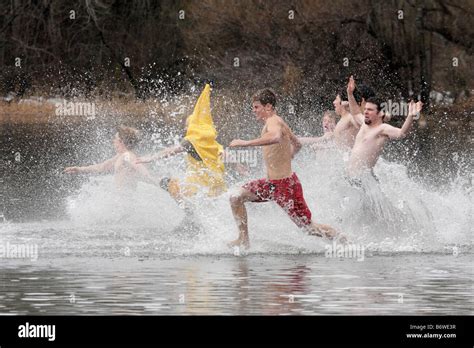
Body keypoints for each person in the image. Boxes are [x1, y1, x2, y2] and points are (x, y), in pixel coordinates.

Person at [228, 89, 345, 249]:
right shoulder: (279, 122)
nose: (254, 110)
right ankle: (243, 240)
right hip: (271, 184)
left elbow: (275, 137)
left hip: (285, 186)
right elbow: (297, 143)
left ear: (268, 106)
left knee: (309, 228)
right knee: (236, 197)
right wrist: (288, 156)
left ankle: (344, 240)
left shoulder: (273, 121)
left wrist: (244, 143)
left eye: (256, 107)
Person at [136, 84, 227, 200]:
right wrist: (238, 165)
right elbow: (225, 154)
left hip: (196, 189)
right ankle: (191, 213)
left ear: (192, 126)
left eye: (186, 125)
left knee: (167, 182)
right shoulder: (212, 143)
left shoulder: (191, 141)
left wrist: (150, 158)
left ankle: (189, 213)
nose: (185, 129)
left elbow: (172, 151)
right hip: (214, 187)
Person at [346, 75, 423, 178]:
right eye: (365, 109)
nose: (366, 112)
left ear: (380, 113)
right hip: (351, 178)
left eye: (370, 110)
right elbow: (355, 113)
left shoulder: (382, 129)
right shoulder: (364, 124)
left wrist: (410, 116)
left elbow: (401, 133)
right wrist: (350, 94)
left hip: (363, 181)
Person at [64, 125, 159, 190]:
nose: (113, 141)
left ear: (121, 141)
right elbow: (101, 167)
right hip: (120, 202)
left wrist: (158, 182)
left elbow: (140, 168)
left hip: (126, 203)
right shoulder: (120, 156)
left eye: (115, 139)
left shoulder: (127, 155)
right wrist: (79, 169)